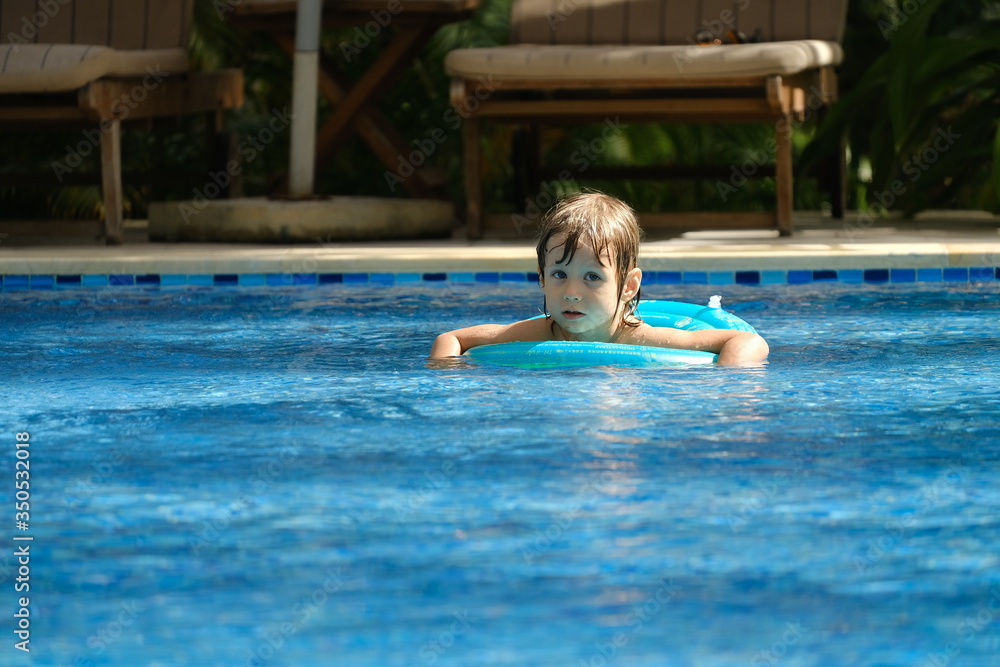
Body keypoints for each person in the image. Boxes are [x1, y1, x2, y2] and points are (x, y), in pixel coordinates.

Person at [429, 192, 769, 364]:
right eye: (559, 274)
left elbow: (748, 342)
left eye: (592, 276)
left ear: (629, 286)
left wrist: (730, 388)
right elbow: (452, 339)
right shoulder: (538, 334)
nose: (572, 293)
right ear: (542, 279)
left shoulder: (642, 340)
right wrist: (449, 378)